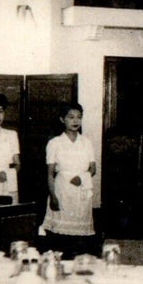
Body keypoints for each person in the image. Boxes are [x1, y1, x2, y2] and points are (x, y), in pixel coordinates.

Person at [43, 103, 97, 257]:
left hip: (82, 191)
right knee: (60, 234)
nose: (75, 121)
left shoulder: (86, 142)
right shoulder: (55, 143)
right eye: (71, 117)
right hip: (62, 191)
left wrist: (82, 177)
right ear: (62, 119)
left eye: (79, 117)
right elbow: (50, 174)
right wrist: (53, 196)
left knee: (80, 234)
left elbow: (93, 168)